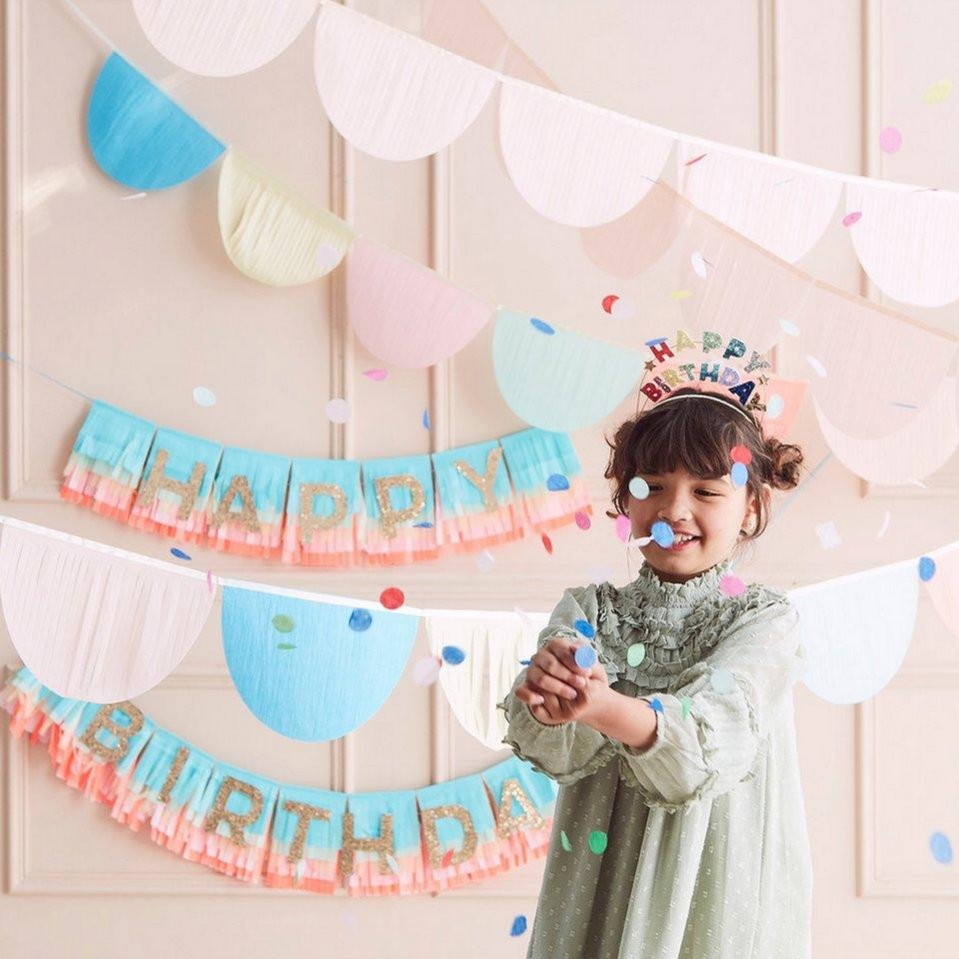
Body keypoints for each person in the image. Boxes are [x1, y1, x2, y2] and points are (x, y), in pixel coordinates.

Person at [498, 386, 811, 959]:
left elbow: (706, 740)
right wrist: (547, 691)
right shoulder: (589, 612)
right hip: (600, 876)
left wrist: (598, 705)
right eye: (653, 486)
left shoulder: (766, 621)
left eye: (708, 491)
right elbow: (553, 743)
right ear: (624, 500)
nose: (674, 511)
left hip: (717, 885)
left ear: (752, 507)